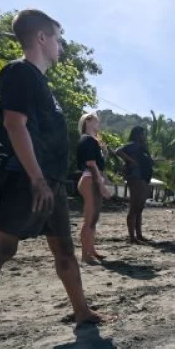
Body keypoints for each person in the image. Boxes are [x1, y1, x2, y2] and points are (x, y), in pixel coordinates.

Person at [0, 9, 103, 349]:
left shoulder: (43, 84)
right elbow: (14, 124)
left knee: (65, 251)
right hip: (23, 179)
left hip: (50, 183)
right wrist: (36, 177)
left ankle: (82, 312)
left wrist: (50, 180)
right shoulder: (19, 72)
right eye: (56, 37)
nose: (60, 45)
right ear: (41, 37)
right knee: (1, 250)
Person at [76, 112, 112, 264]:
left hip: (91, 178)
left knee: (93, 219)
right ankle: (85, 255)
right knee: (89, 219)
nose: (99, 124)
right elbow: (91, 164)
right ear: (88, 121)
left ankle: (91, 250)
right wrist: (100, 183)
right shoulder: (87, 139)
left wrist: (103, 152)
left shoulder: (92, 141)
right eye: (97, 121)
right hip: (90, 179)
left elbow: (97, 163)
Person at [115, 126, 153, 244]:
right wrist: (131, 161)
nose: (144, 136)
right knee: (134, 207)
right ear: (137, 134)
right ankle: (132, 237)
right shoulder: (132, 145)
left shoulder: (143, 148)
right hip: (135, 178)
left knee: (140, 208)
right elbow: (118, 151)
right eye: (142, 134)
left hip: (144, 178)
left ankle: (139, 235)